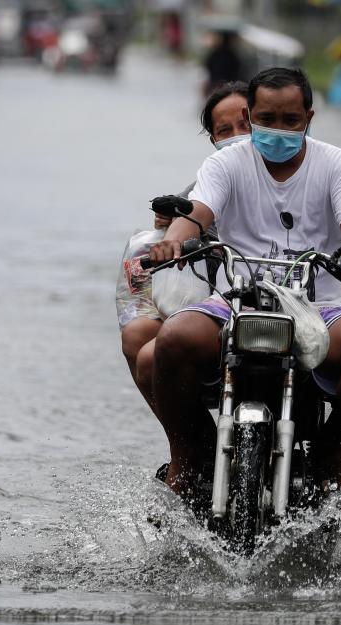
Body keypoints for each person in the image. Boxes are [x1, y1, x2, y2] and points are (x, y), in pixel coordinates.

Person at [147, 67, 341, 496]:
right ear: (251, 115)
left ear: (309, 117)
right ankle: (188, 457)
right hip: (235, 300)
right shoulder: (226, 161)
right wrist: (172, 243)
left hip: (317, 308)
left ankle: (337, 462)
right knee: (171, 340)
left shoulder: (338, 164)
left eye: (290, 121)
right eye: (266, 120)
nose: (278, 130)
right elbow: (196, 213)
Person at [119, 82, 251, 415]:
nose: (238, 135)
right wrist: (169, 234)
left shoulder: (309, 170)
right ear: (213, 140)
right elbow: (191, 217)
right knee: (139, 336)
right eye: (226, 130)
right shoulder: (208, 181)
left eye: (247, 124)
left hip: (287, 297)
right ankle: (193, 445)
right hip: (221, 298)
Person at [203, 30, 243, 96]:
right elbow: (237, 69)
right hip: (229, 83)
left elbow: (208, 65)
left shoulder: (215, 53)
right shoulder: (233, 55)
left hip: (215, 82)